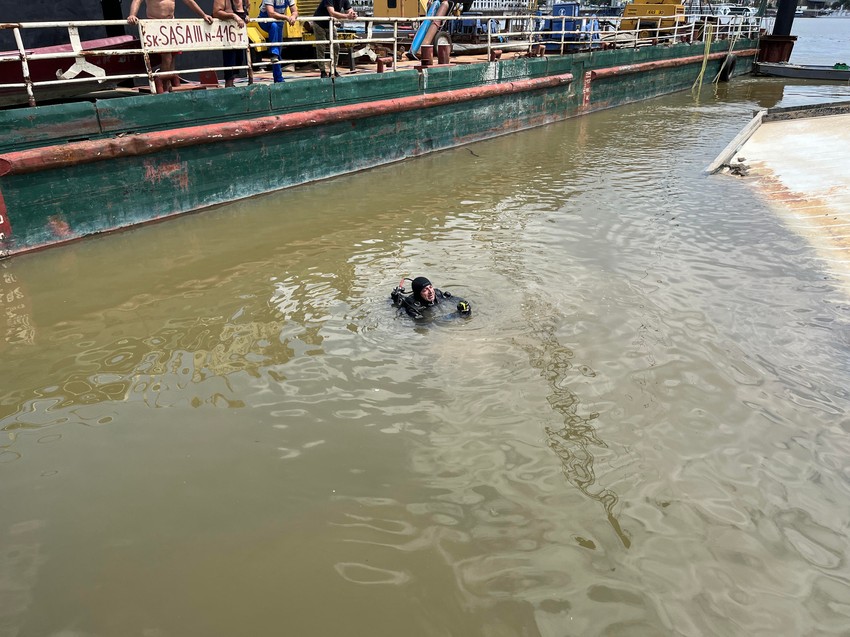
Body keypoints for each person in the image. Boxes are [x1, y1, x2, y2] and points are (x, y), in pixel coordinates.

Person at [127, 0, 214, 93]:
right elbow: (137, 1)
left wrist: (203, 15)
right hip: (156, 24)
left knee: (173, 56)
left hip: (171, 24)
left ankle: (168, 85)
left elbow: (189, 1)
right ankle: (163, 85)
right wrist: (132, 15)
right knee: (167, 57)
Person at [391, 276, 471, 320]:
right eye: (425, 290)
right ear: (418, 294)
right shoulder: (413, 306)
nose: (431, 291)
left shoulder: (437, 293)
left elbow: (456, 300)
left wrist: (465, 305)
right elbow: (429, 323)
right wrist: (456, 315)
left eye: (430, 287)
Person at [311, 0, 356, 78]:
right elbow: (332, 12)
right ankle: (323, 71)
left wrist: (353, 14)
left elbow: (349, 9)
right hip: (319, 23)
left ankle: (333, 69)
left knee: (336, 46)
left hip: (330, 23)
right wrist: (346, 16)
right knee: (321, 47)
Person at [259, 0, 299, 83]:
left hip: (279, 21)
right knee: (274, 26)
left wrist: (293, 16)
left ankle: (278, 78)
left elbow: (294, 10)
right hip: (265, 20)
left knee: (278, 50)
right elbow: (271, 13)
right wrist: (286, 17)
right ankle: (273, 52)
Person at [212, 0, 246, 87]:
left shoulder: (245, 1)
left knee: (240, 59)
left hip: (239, 36)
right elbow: (216, 13)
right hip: (226, 34)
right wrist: (233, 16)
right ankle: (229, 83)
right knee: (229, 57)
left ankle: (233, 81)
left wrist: (247, 16)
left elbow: (246, 9)